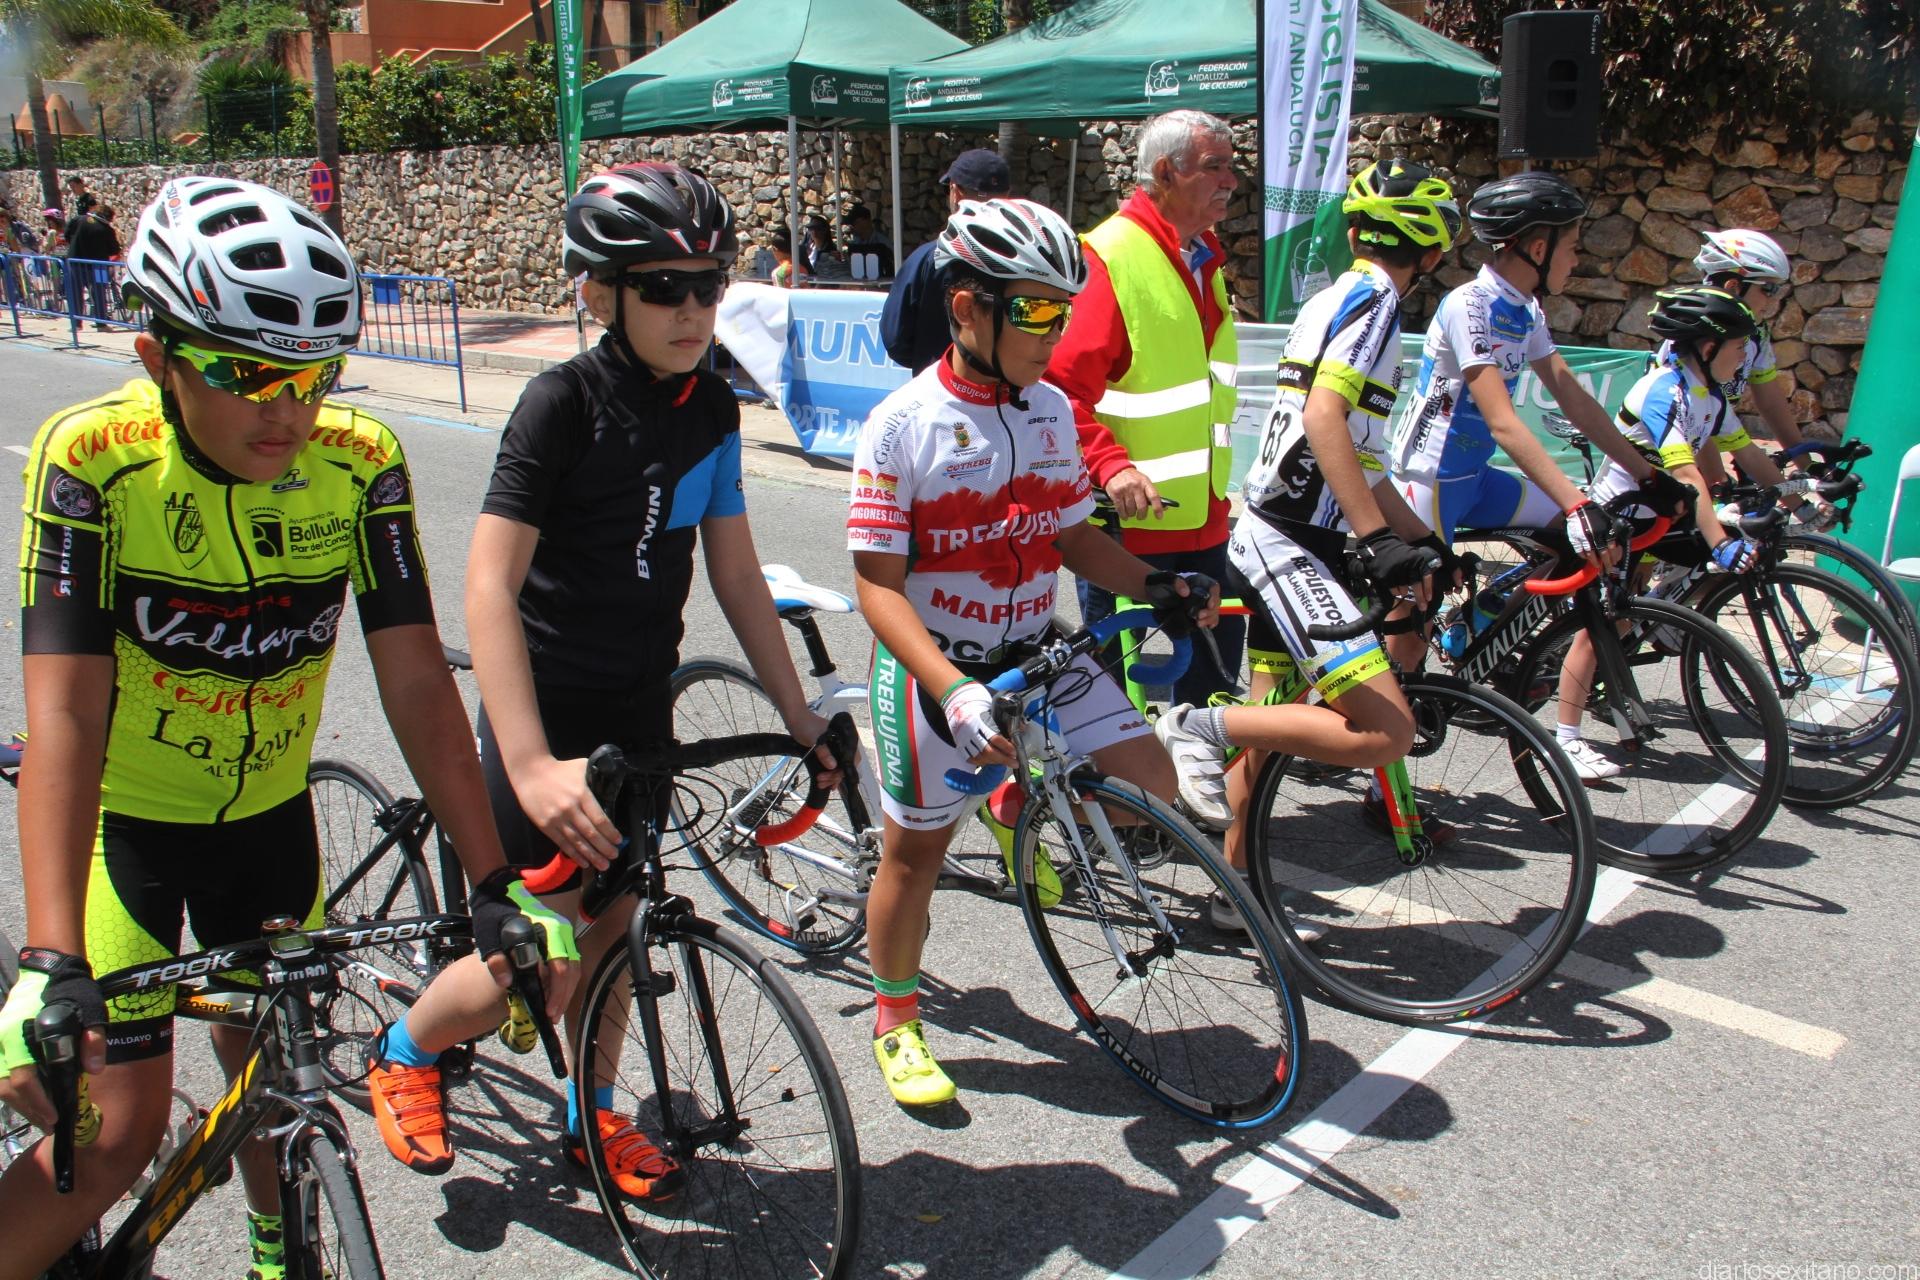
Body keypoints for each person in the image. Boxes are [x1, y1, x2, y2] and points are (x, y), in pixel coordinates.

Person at [0, 176, 576, 1280]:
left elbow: (415, 679)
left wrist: (494, 882)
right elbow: (64, 710)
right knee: (116, 1134)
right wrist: (50, 957)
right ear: (158, 356)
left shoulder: (360, 462)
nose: (289, 411)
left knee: (278, 1079)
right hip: (132, 834)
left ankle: (278, 1244)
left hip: (273, 828)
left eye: (315, 375)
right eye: (249, 373)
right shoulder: (93, 458)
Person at [420, 162, 838, 1201]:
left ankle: (592, 1113)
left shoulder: (712, 409)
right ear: (600, 292)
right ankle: (407, 1045)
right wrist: (528, 764)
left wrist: (799, 716)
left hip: (637, 705)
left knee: (613, 933)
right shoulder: (560, 402)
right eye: (663, 287)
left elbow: (736, 574)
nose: (693, 309)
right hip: (547, 708)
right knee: (538, 960)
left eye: (709, 285)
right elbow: (488, 583)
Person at [847, 197, 1214, 1108]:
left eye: (1066, 309)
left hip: (1035, 648)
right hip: (938, 667)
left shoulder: (1051, 410)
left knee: (1153, 783)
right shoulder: (901, 425)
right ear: (967, 308)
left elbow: (1072, 538)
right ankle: (895, 1019)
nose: (1057, 332)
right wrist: (952, 690)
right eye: (1038, 310)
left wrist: (1155, 584)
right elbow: (877, 588)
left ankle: (1015, 801)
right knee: (914, 858)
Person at [1152, 160, 1456, 917]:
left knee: (1273, 727)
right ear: (1432, 253)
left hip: (1277, 533)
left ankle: (1236, 894)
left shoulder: (1333, 296)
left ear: (1355, 234)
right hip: (1290, 542)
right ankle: (1195, 725)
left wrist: (1420, 539)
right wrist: (1378, 541)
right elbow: (1324, 420)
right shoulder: (1378, 302)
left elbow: (1362, 456)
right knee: (1387, 730)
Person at [1045, 109, 1248, 710]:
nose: (1231, 181)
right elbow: (1058, 392)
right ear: (1164, 173)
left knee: (1210, 697)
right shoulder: (1111, 255)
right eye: (1215, 167)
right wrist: (1112, 466)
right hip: (1129, 529)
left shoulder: (1202, 256)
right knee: (1116, 707)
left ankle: (1198, 768)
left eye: (1232, 167)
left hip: (1203, 518)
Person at [1389, 170, 1694, 568]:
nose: (1576, 260)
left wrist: (1648, 477)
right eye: (1572, 247)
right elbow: (1502, 423)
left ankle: (1498, 608)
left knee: (1584, 550)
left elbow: (1575, 400)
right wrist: (1577, 504)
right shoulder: (1469, 305)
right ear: (1538, 249)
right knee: (1420, 604)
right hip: (1429, 481)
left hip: (1477, 478)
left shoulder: (1527, 310)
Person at [1555, 286, 1770, 778]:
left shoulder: (1708, 396)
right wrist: (1721, 543)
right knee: (1597, 629)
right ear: (1708, 347)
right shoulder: (1664, 390)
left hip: (1655, 521)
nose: (1745, 357)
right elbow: (1688, 476)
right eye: (1739, 347)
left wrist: (1802, 496)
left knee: (1626, 618)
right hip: (1617, 519)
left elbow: (1749, 453)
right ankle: (1565, 738)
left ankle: (1653, 632)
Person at [1676, 229, 1837, 529]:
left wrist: (1809, 467)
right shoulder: (1694, 341)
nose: (1773, 300)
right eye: (1768, 289)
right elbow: (1694, 426)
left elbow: (1771, 403)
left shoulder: (1754, 334)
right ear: (1734, 286)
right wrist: (1718, 482)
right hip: (1678, 461)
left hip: (1714, 443)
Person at [880, 147, 1013, 371]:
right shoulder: (1026, 262)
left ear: (955, 192)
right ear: (1008, 196)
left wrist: (927, 357)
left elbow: (895, 340)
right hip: (1003, 387)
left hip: (940, 382)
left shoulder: (928, 258)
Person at [63, 201, 120, 329]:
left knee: (76, 293)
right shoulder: (107, 229)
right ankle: (101, 322)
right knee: (100, 293)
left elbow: (67, 235)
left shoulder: (78, 220)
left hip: (76, 264)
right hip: (99, 266)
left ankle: (76, 324)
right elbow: (114, 250)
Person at [844, 201, 894, 279]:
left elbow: (893, 266)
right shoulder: (855, 243)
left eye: (854, 223)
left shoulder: (883, 243)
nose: (851, 227)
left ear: (866, 221)